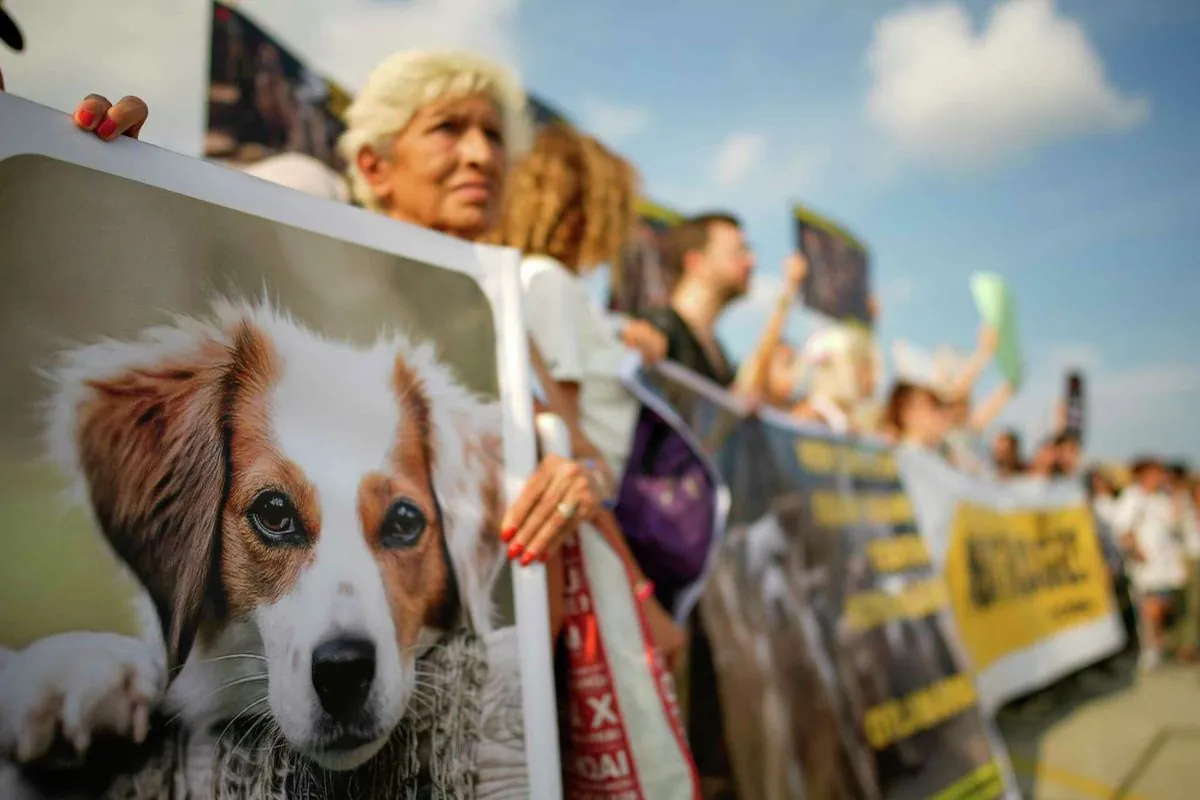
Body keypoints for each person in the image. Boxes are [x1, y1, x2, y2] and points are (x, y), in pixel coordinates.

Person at [486, 121, 685, 665]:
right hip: (595, 536)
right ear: (584, 213)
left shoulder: (538, 282)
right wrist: (643, 597)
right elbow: (569, 443)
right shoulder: (549, 282)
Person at [641, 212, 754, 386]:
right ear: (695, 261)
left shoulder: (718, 355)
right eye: (738, 251)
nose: (751, 262)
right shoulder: (658, 329)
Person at [1111, 458, 1189, 671]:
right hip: (1146, 565)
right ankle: (1149, 651)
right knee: (1149, 610)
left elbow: (1174, 524)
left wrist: (1173, 497)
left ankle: (1158, 644)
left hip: (1165, 564)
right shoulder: (1133, 497)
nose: (1160, 477)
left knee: (1163, 608)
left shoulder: (1162, 498)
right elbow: (1123, 528)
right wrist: (1135, 551)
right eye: (1156, 473)